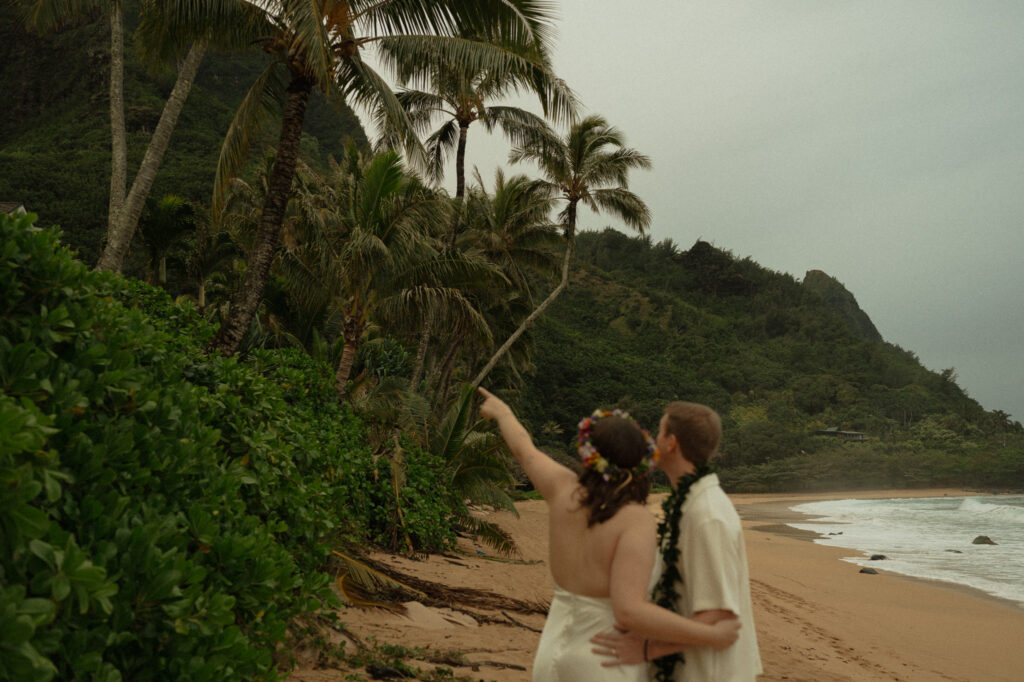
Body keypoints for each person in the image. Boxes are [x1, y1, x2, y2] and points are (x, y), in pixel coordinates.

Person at [477, 388, 740, 682]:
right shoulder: (634, 520)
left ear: (589, 453)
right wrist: (711, 635)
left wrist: (502, 412)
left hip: (551, 654)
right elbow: (628, 611)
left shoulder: (562, 490)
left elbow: (524, 449)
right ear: (640, 461)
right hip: (604, 658)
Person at [591, 401, 763, 681]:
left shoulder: (707, 515)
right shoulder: (689, 505)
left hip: (708, 672)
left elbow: (717, 615)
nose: (653, 439)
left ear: (671, 443)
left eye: (659, 432)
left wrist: (647, 648)